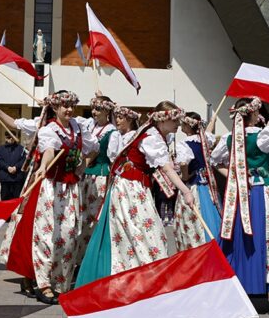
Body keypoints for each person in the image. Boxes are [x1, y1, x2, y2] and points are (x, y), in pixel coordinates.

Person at [77, 101, 194, 289]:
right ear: (163, 121)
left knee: (140, 233)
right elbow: (165, 167)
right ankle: (145, 281)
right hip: (130, 188)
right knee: (145, 233)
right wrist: (186, 191)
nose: (178, 125)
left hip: (134, 187)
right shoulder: (152, 137)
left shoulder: (152, 134)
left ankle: (143, 278)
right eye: (175, 120)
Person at [210, 97, 269, 314]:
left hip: (240, 195)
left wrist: (237, 175)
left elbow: (215, 160)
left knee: (241, 238)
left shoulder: (230, 137)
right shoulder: (262, 135)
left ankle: (239, 287)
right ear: (254, 114)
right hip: (264, 192)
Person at [30, 91, 99, 304]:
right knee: (48, 235)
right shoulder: (49, 130)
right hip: (52, 187)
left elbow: (93, 148)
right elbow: (50, 151)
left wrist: (81, 167)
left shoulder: (78, 128)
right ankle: (42, 283)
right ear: (55, 108)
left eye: (71, 105)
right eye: (64, 106)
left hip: (71, 189)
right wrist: (43, 167)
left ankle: (61, 282)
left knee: (70, 235)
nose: (68, 110)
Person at [174, 112, 221, 251]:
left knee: (193, 219)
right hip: (207, 185)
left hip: (194, 184)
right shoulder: (205, 139)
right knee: (212, 215)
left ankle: (197, 248)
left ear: (188, 126)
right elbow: (209, 132)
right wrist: (213, 121)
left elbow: (183, 163)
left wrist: (185, 176)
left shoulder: (184, 144)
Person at [79, 94, 120, 247]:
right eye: (93, 109)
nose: (94, 112)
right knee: (83, 217)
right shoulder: (90, 126)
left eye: (98, 109)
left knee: (95, 216)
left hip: (101, 176)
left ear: (107, 111)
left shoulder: (112, 132)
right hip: (85, 176)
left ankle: (94, 250)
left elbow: (113, 160)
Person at [0, 132, 26, 201]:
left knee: (16, 198)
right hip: (5, 177)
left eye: (12, 137)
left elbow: (23, 160)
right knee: (5, 198)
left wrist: (16, 167)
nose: (11, 139)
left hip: (17, 177)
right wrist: (7, 167)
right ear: (5, 138)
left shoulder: (21, 148)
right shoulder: (1, 148)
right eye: (8, 137)